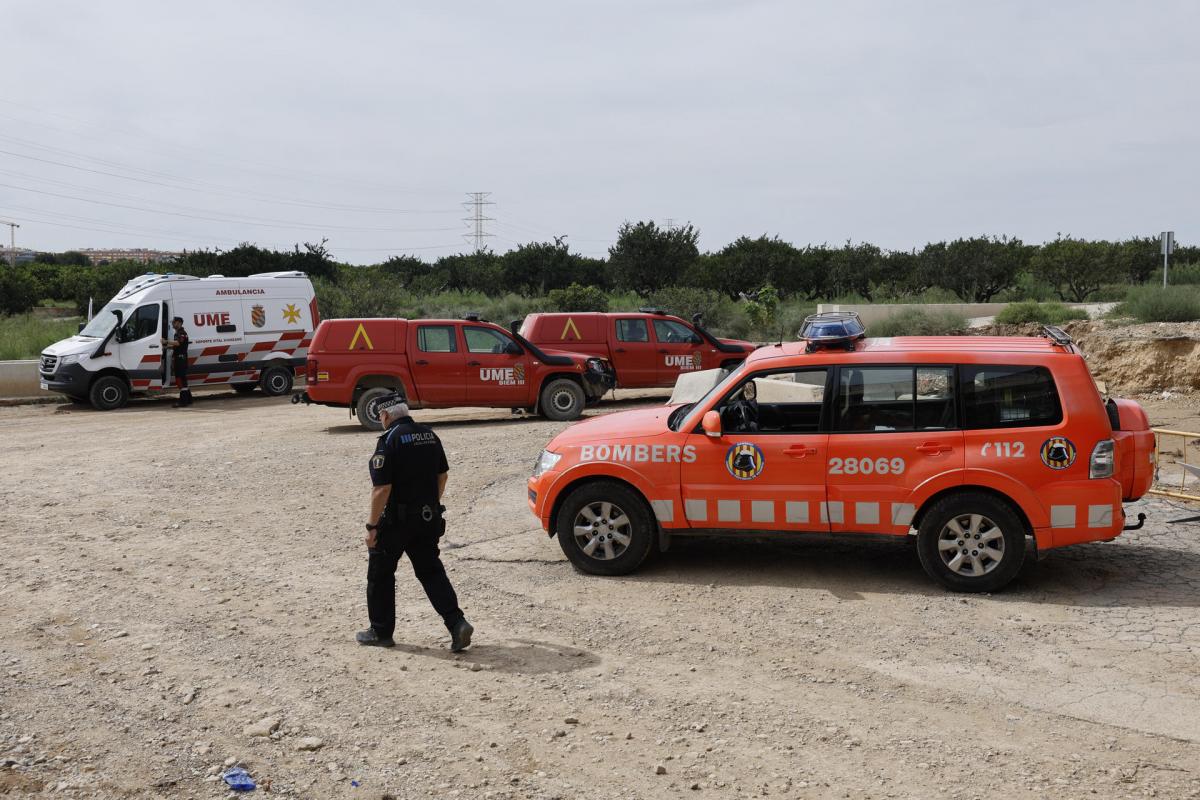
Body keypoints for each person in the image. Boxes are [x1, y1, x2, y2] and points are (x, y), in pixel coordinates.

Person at [358, 393, 473, 651]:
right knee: (431, 572)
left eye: (380, 416)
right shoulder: (429, 435)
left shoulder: (389, 440)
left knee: (380, 574)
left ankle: (380, 632)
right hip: (427, 518)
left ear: (385, 415)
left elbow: (382, 489)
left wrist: (372, 527)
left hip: (396, 522)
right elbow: (442, 476)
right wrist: (430, 504)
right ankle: (457, 623)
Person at [161, 316, 192, 407]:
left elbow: (178, 343)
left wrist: (166, 341)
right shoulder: (178, 333)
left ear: (179, 323)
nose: (172, 324)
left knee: (180, 380)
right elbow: (177, 346)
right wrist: (166, 347)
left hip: (180, 359)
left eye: (174, 322)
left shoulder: (181, 333)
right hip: (179, 359)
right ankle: (188, 399)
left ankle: (183, 401)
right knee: (182, 379)